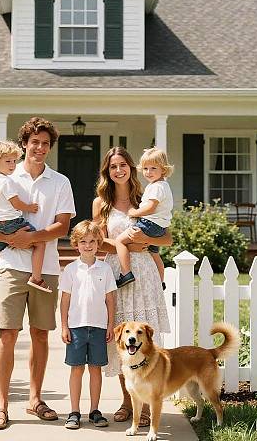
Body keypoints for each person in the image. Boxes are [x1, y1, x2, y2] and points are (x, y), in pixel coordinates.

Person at [0, 117, 75, 430]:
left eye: (45, 143)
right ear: (24, 144)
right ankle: (1, 406)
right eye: (35, 143)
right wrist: (9, 239)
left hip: (45, 269)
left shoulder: (60, 182)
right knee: (7, 334)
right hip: (9, 268)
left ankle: (35, 399)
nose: (40, 148)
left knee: (40, 334)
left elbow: (63, 226)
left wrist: (30, 238)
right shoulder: (4, 174)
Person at [92, 146, 171, 427]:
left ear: (131, 168)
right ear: (107, 172)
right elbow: (99, 242)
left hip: (145, 272)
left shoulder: (146, 197)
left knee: (146, 340)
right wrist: (130, 244)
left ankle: (149, 404)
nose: (118, 170)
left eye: (123, 165)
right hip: (117, 272)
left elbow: (167, 239)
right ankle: (128, 402)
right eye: (113, 166)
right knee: (125, 341)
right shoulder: (101, 203)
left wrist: (140, 245)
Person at [0, 139, 49, 307]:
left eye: (14, 161)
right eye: (8, 161)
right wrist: (29, 208)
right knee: (40, 243)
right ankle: (36, 278)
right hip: (11, 222)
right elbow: (16, 203)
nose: (12, 165)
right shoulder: (6, 181)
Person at [60, 220, 117, 430]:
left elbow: (110, 299)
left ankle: (94, 410)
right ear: (76, 243)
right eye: (83, 241)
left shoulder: (105, 268)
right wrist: (64, 326)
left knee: (95, 370)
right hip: (76, 327)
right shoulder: (71, 270)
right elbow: (64, 300)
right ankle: (74, 412)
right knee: (76, 369)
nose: (87, 245)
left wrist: (111, 325)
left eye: (92, 241)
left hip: (99, 327)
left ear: (98, 243)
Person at [114, 147, 174, 289]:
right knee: (154, 253)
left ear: (163, 170)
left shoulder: (156, 187)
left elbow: (150, 208)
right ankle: (161, 282)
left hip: (149, 224)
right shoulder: (162, 186)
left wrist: (135, 213)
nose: (149, 172)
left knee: (120, 241)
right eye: (146, 168)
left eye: (153, 168)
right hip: (159, 227)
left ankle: (126, 273)